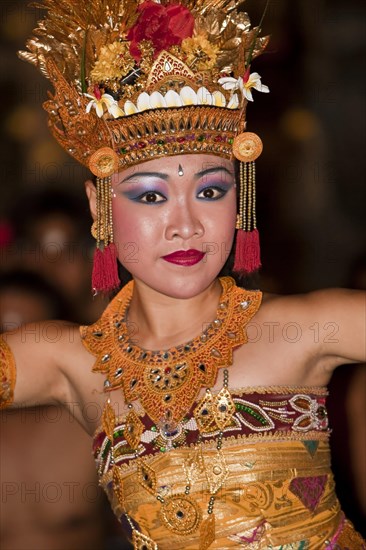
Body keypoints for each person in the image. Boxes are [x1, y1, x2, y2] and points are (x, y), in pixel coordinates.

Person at [1, 1, 365, 548]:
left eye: (211, 190)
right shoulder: (69, 362)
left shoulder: (312, 327)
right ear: (99, 208)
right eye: (150, 196)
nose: (186, 225)